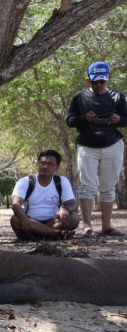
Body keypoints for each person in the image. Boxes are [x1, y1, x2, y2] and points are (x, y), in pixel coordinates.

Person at [66, 61, 127, 237]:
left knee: (108, 187)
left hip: (112, 145)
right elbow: (70, 121)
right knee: (87, 186)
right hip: (87, 146)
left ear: (107, 79)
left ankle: (107, 227)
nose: (99, 85)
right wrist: (84, 118)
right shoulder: (79, 98)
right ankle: (87, 226)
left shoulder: (118, 97)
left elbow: (126, 119)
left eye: (102, 81)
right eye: (95, 82)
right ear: (88, 80)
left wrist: (119, 120)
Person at [10, 150, 79, 241]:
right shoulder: (25, 182)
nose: (45, 166)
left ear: (57, 167)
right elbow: (15, 205)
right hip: (31, 221)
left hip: (53, 222)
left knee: (74, 217)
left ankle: (39, 235)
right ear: (37, 165)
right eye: (42, 163)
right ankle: (55, 234)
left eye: (50, 164)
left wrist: (65, 209)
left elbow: (72, 203)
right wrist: (24, 218)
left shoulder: (61, 181)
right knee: (15, 219)